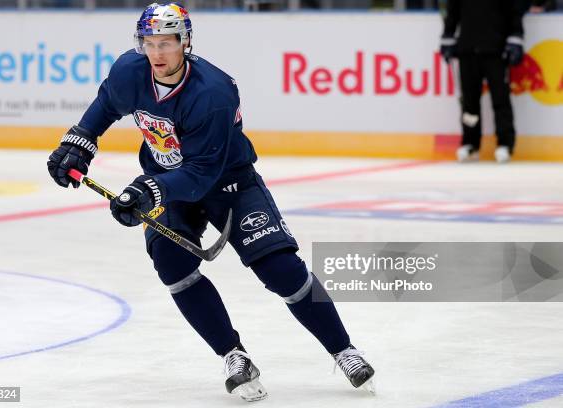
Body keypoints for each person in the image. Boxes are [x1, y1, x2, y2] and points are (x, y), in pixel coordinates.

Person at [46, 2, 374, 401]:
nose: (157, 53)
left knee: (281, 268)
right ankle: (233, 355)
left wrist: (149, 190)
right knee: (171, 263)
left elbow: (202, 172)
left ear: (185, 42)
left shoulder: (213, 93)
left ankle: (344, 350)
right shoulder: (129, 71)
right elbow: (107, 103)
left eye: (166, 43)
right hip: (169, 186)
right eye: (149, 43)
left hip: (228, 183)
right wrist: (80, 140)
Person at [440, 0, 525, 163]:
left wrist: (516, 38)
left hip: (496, 50)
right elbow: (453, 11)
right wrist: (448, 36)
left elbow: (514, 11)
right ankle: (470, 142)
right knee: (469, 102)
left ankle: (505, 143)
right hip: (467, 49)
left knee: (501, 99)